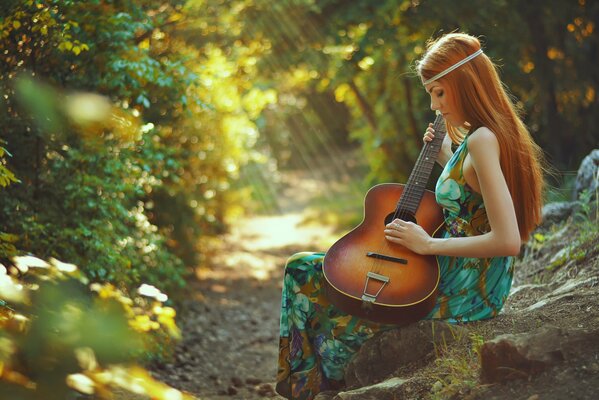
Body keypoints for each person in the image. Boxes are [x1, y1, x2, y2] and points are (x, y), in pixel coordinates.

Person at [275, 32, 546, 400]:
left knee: (302, 272)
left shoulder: (484, 140)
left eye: (439, 92)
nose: (435, 105)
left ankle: (314, 386)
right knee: (309, 269)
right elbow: (469, 190)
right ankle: (314, 386)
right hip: (450, 264)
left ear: (465, 83)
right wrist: (442, 154)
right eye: (430, 94)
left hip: (468, 284)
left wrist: (427, 243)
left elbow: (508, 241)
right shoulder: (478, 139)